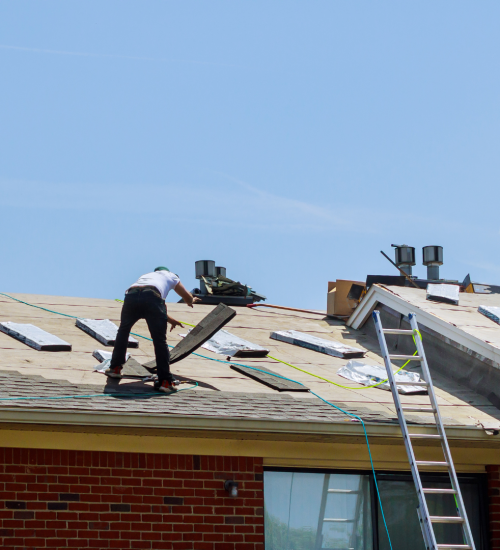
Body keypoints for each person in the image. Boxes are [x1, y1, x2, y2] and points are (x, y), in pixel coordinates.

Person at [105, 266, 200, 392]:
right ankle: (165, 381)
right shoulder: (172, 276)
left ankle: (115, 369)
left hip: (131, 296)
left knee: (123, 331)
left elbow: (151, 301)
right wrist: (191, 300)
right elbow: (183, 297)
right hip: (152, 298)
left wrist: (170, 319)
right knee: (159, 340)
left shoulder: (147, 276)